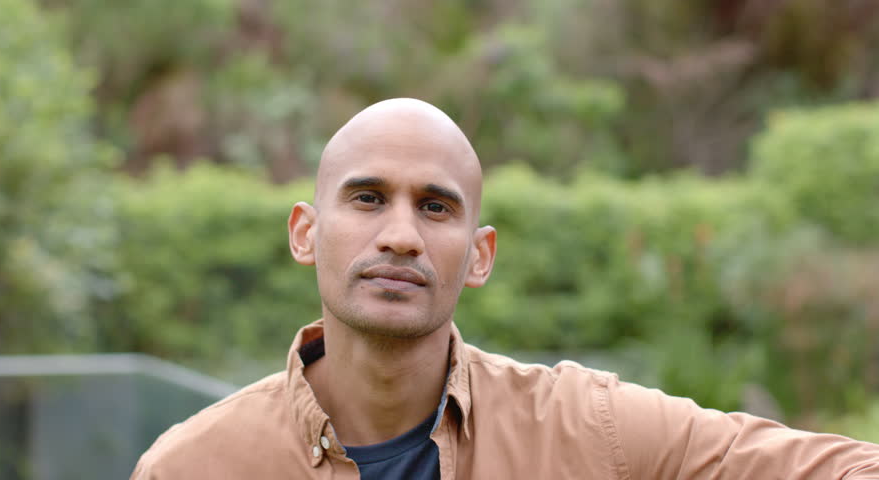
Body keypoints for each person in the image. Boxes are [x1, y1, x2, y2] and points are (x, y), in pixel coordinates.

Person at [131, 98, 879, 479]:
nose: (401, 234)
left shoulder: (587, 430)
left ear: (480, 255)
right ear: (305, 233)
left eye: (436, 207)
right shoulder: (194, 466)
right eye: (367, 198)